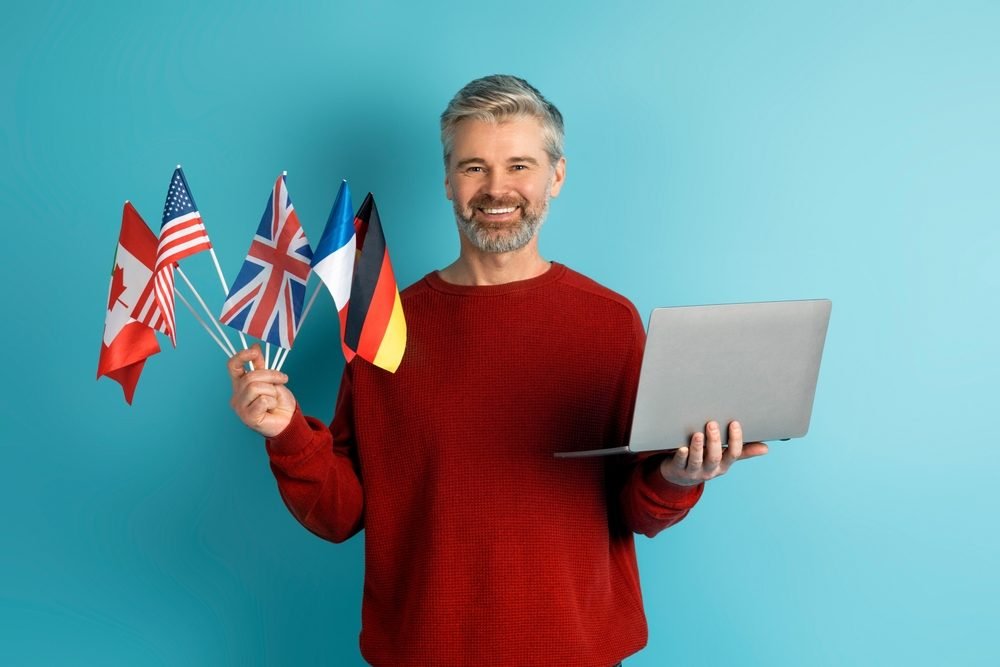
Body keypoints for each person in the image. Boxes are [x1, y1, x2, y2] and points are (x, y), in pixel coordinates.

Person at [227, 74, 768, 667]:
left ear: (555, 176)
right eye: (474, 167)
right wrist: (287, 433)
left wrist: (681, 476)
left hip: (575, 651)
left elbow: (638, 510)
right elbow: (341, 514)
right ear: (448, 181)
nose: (496, 189)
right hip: (423, 652)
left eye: (519, 166)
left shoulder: (610, 323)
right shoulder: (384, 326)